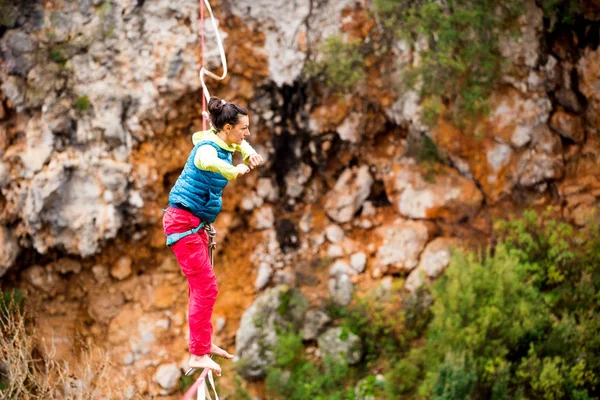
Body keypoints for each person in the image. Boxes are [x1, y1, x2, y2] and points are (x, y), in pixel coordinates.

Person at [162, 97, 263, 376]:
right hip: (184, 225)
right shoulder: (206, 149)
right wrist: (234, 170)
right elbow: (206, 161)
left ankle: (202, 344)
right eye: (244, 129)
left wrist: (249, 151)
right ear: (228, 127)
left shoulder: (224, 138)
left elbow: (240, 144)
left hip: (193, 225)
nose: (248, 134)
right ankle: (197, 354)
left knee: (201, 288)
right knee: (206, 288)